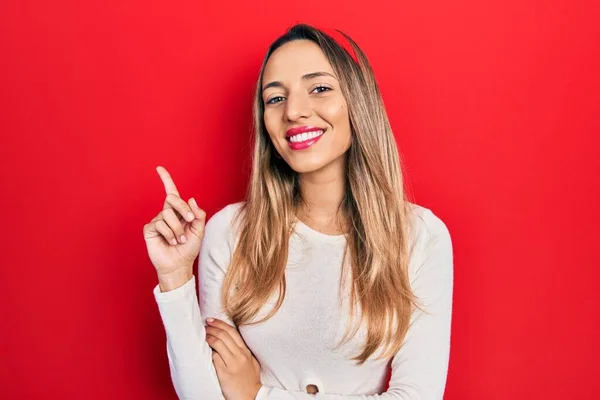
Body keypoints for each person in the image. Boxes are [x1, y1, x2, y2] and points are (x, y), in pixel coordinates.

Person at [143, 23, 453, 400]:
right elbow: (203, 395)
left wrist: (257, 395)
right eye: (274, 98)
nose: (294, 111)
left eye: (319, 88)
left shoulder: (421, 236)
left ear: (357, 102)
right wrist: (174, 275)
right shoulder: (230, 231)